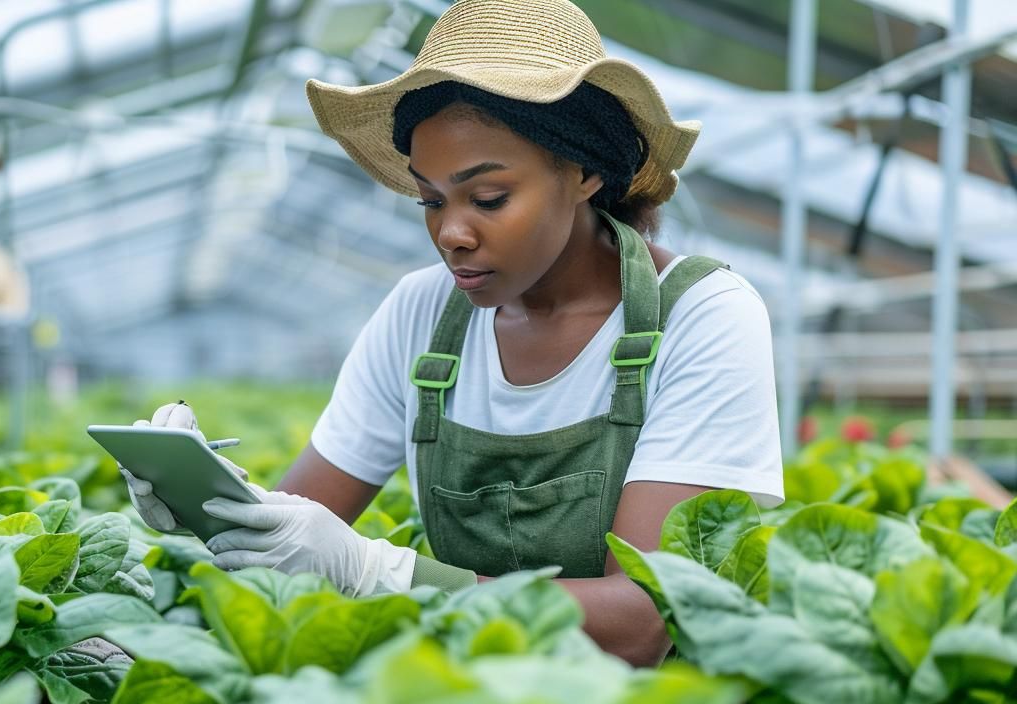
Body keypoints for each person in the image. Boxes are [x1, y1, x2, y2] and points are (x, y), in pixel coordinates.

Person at [120, 0, 782, 667]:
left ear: (585, 173)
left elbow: (642, 623)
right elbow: (298, 524)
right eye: (430, 201)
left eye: (488, 198)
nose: (451, 234)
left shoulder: (700, 315)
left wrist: (386, 576)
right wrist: (211, 502)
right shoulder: (421, 315)